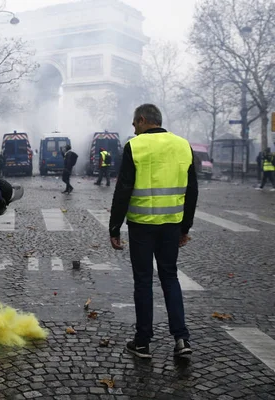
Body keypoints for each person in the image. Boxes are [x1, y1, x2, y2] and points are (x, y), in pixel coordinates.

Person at [109, 104, 198, 359]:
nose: (133, 128)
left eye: (135, 123)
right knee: (170, 277)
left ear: (143, 119)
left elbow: (123, 189)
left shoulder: (134, 146)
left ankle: (143, 342)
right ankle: (181, 338)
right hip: (171, 224)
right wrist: (185, 227)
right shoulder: (183, 145)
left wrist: (115, 227)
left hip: (141, 225)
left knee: (143, 280)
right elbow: (192, 190)